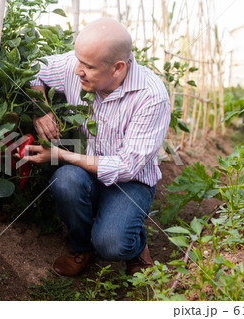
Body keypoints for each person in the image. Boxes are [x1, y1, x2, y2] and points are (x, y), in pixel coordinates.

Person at [17, 18, 170, 276]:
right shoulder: (78, 66)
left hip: (131, 183)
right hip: (86, 172)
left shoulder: (151, 97)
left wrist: (61, 154)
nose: (77, 70)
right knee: (64, 181)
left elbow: (127, 166)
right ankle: (83, 247)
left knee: (112, 244)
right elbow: (35, 68)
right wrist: (40, 109)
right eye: (78, 60)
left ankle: (135, 247)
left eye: (88, 66)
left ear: (117, 68)